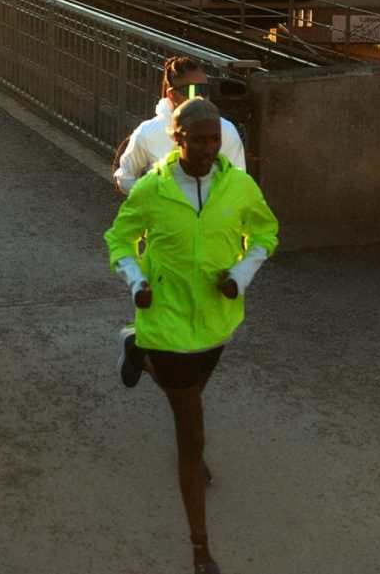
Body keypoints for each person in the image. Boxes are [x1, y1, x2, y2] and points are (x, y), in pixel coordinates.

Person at [103, 97, 278, 574]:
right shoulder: (152, 192)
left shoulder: (239, 188)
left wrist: (240, 276)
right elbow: (119, 239)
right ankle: (201, 548)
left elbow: (266, 235)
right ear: (176, 139)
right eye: (197, 140)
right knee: (190, 431)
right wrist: (137, 283)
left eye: (213, 140)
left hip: (218, 323)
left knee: (191, 393)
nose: (206, 149)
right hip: (164, 319)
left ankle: (136, 352)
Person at [114, 55, 246, 195]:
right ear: (172, 95)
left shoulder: (227, 131)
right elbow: (124, 178)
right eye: (192, 91)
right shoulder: (148, 133)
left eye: (205, 90)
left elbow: (238, 184)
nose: (201, 97)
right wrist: (153, 197)